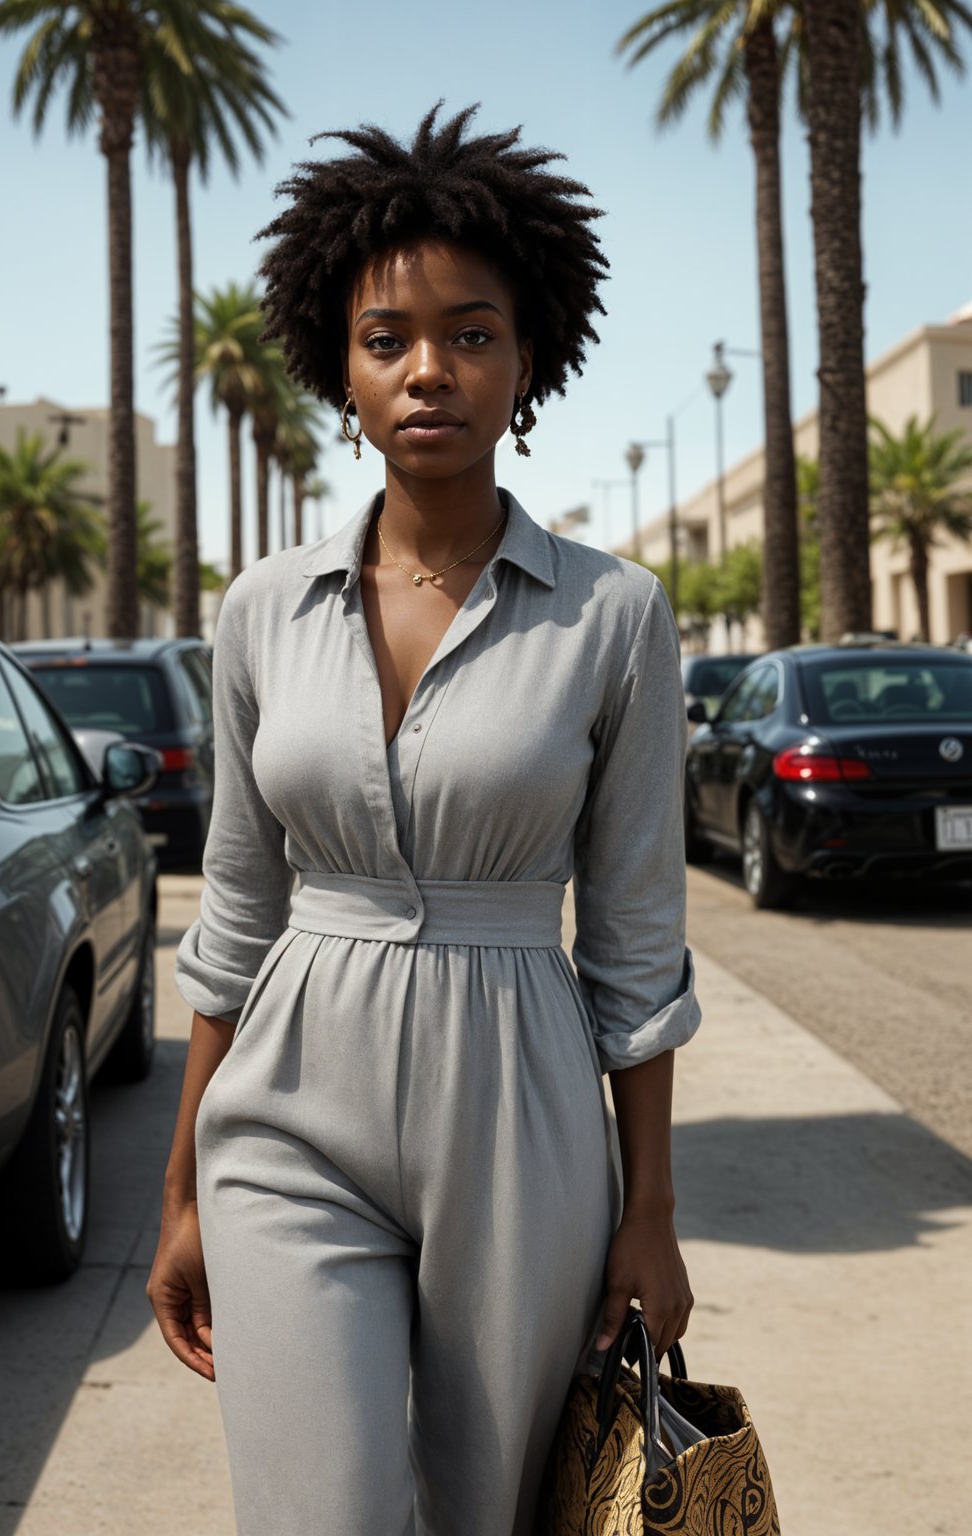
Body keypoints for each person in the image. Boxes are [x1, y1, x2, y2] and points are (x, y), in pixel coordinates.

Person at [147, 104, 700, 1536]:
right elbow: (238, 909)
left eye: (471, 332)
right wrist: (184, 1184)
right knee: (316, 1512)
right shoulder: (264, 609)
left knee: (488, 1510)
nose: (428, 370)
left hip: (516, 1092)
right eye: (387, 337)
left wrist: (652, 1210)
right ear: (340, 365)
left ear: (530, 360)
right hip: (287, 1105)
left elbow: (638, 941)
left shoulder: (614, 616)